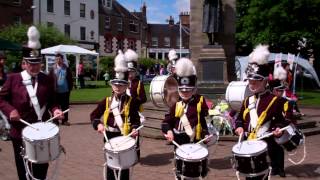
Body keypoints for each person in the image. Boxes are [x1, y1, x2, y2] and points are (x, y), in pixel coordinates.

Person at [0, 26, 64, 180]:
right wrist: (10, 111)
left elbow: (52, 102)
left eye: (37, 63)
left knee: (41, 168)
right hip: (19, 132)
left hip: (41, 132)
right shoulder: (13, 78)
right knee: (23, 169)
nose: (34, 67)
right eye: (31, 63)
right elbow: (1, 99)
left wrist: (55, 110)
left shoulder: (47, 79)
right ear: (24, 62)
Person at [234, 45, 290, 179]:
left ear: (265, 81)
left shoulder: (276, 101)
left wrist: (279, 129)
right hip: (248, 145)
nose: (251, 85)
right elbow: (239, 119)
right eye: (250, 82)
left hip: (266, 147)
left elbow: (284, 121)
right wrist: (239, 127)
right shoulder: (247, 101)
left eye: (255, 82)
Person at [90, 50, 140, 180]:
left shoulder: (132, 102)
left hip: (124, 136)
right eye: (115, 84)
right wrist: (98, 124)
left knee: (124, 167)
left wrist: (135, 128)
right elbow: (94, 116)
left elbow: (136, 119)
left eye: (121, 85)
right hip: (109, 136)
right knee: (110, 166)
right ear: (112, 85)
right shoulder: (106, 101)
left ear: (126, 86)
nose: (118, 87)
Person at [161, 58, 211, 179]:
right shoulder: (175, 102)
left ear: (194, 89)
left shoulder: (200, 101)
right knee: (180, 172)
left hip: (194, 140)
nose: (185, 92)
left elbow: (204, 121)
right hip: (178, 140)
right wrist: (168, 131)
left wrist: (205, 134)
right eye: (182, 90)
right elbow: (167, 121)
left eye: (188, 90)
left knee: (195, 173)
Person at [124, 49, 147, 160]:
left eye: (132, 72)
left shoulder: (139, 83)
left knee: (135, 134)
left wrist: (134, 100)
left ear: (135, 72)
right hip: (123, 112)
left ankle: (136, 155)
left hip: (135, 112)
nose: (130, 74)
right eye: (128, 72)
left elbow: (143, 98)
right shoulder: (122, 82)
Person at [49, 53, 73, 126]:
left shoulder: (67, 68)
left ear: (62, 59)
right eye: (56, 59)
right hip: (55, 91)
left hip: (65, 90)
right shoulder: (52, 69)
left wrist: (70, 88)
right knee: (55, 106)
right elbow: (49, 79)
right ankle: (55, 121)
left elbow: (70, 79)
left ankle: (65, 121)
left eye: (59, 59)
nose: (58, 60)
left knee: (65, 106)